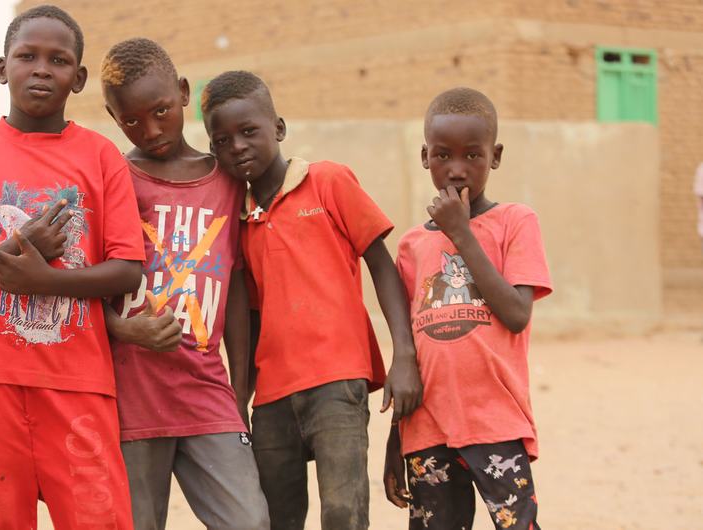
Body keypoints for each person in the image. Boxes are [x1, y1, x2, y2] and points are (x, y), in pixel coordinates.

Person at [0, 5, 144, 529]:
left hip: (78, 378)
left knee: (97, 517)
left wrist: (44, 279)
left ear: (79, 78)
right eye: (27, 56)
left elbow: (127, 269)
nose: (42, 69)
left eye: (58, 60)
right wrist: (16, 250)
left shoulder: (103, 157)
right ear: (2, 68)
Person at [201, 70, 422, 530]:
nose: (237, 146)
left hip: (337, 381)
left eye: (248, 132)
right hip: (273, 395)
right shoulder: (236, 222)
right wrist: (241, 395)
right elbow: (252, 316)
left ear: (278, 129)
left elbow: (381, 266)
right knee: (277, 517)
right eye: (222, 140)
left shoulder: (327, 182)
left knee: (343, 513)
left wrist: (404, 352)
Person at [99, 38, 269, 530]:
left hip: (206, 391)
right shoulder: (114, 178)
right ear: (113, 118)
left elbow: (235, 289)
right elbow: (82, 286)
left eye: (161, 110)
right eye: (131, 120)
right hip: (131, 396)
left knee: (249, 520)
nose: (150, 130)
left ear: (184, 93)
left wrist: (240, 390)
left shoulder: (227, 179)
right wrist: (124, 330)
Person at [382, 87, 552, 530]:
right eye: (442, 155)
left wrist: (461, 234)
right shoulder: (412, 246)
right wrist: (394, 441)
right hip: (426, 428)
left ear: (495, 157)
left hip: (494, 421)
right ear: (424, 156)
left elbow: (517, 313)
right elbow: (411, 350)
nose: (457, 170)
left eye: (472, 156)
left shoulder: (516, 222)